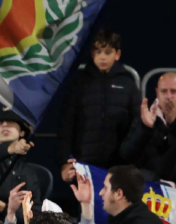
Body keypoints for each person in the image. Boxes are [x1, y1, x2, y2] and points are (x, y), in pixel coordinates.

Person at [58, 29, 139, 167]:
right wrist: (64, 162)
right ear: (92, 53)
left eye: (108, 52)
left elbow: (136, 124)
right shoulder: (79, 82)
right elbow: (67, 125)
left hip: (119, 165)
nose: (102, 57)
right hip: (84, 161)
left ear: (117, 54)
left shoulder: (128, 83)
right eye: (98, 51)